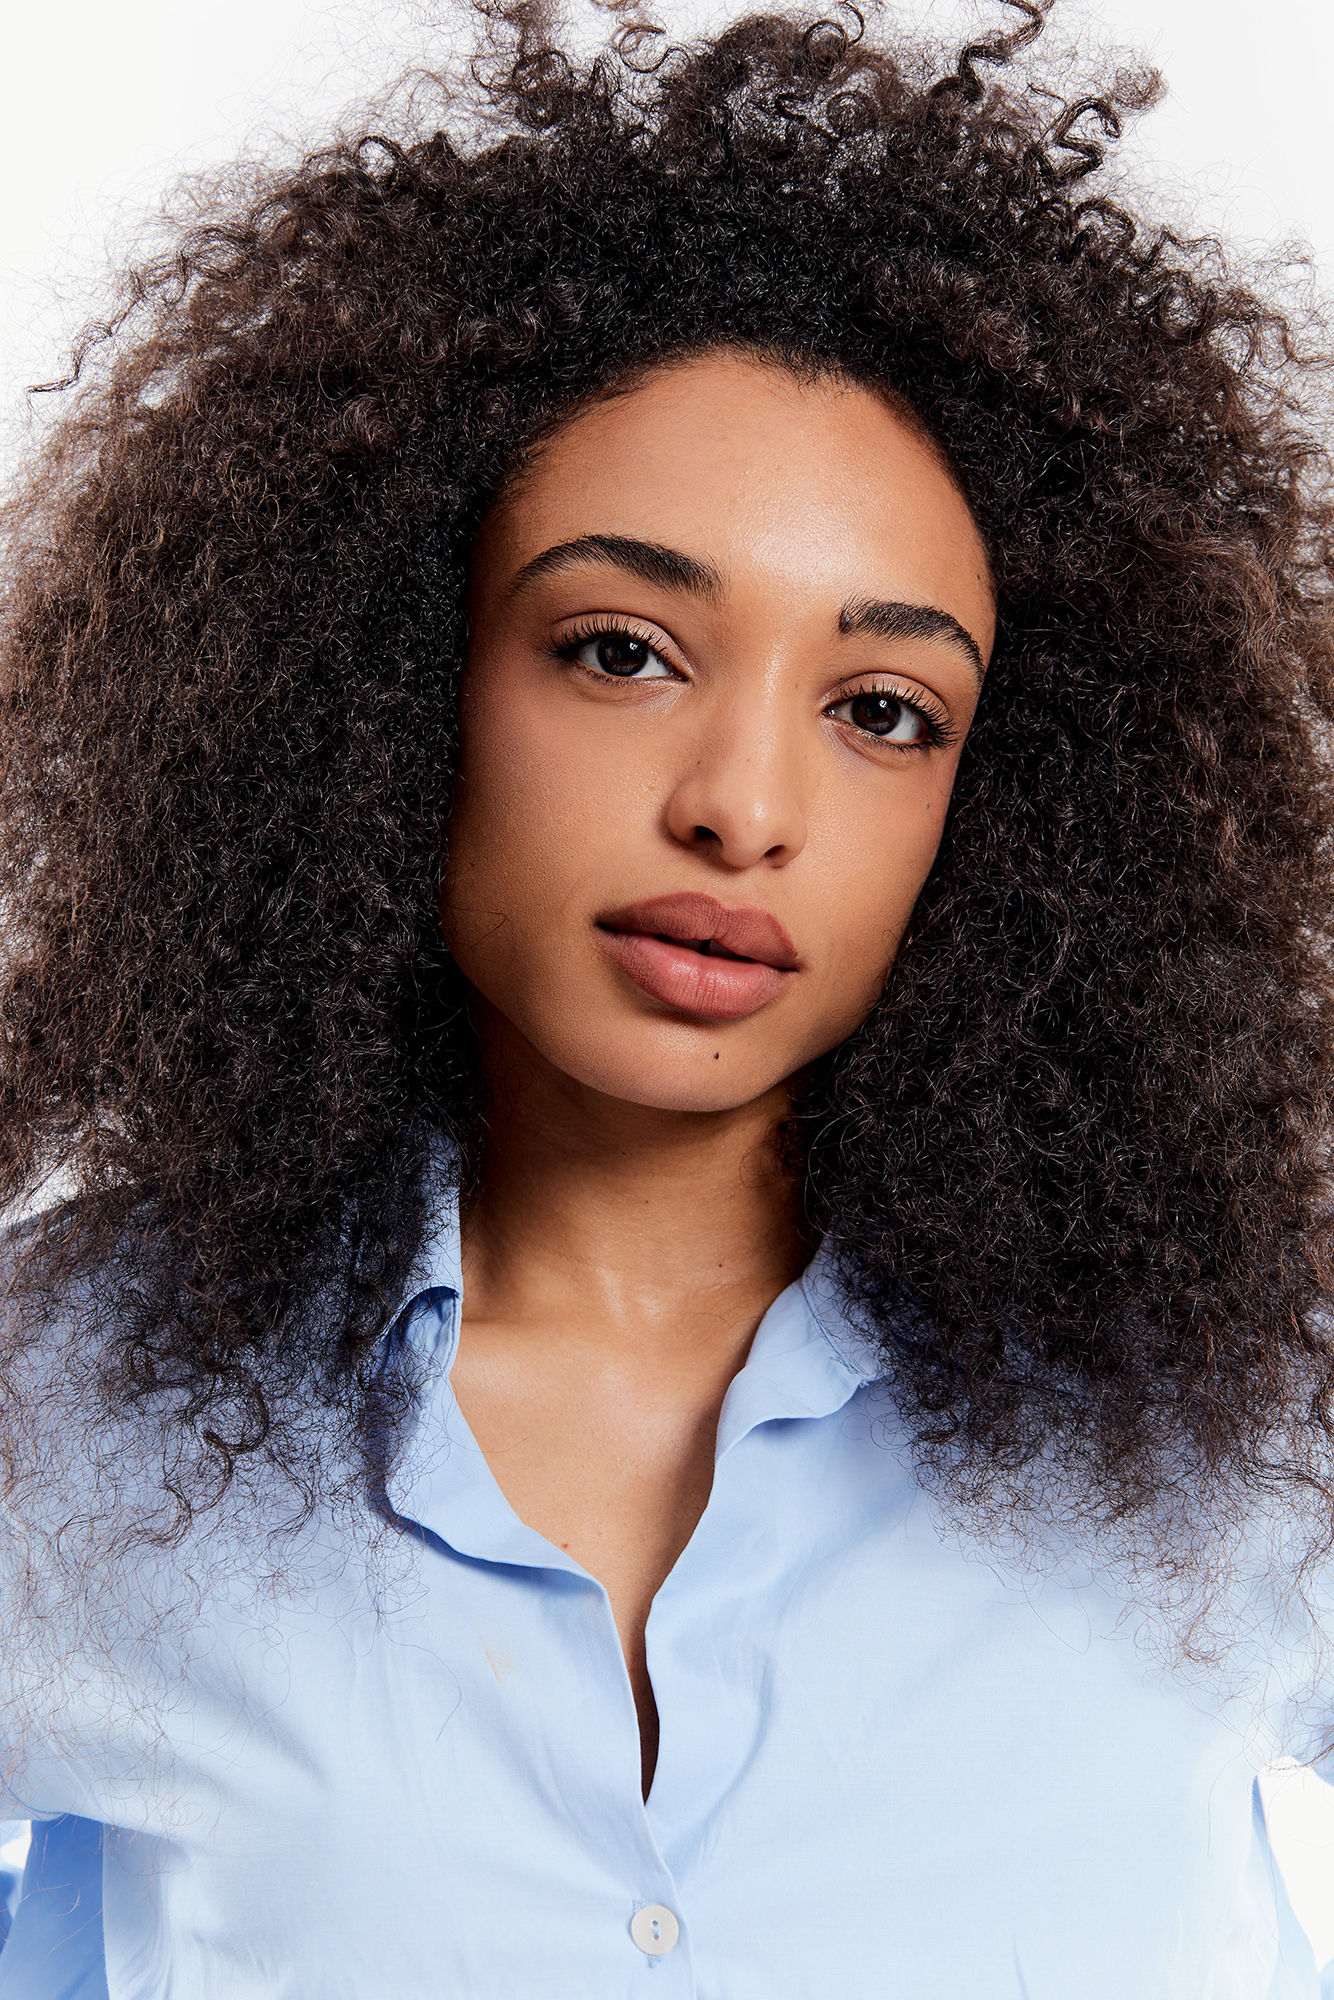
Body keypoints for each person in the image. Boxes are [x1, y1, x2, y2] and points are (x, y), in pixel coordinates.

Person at [0, 0, 1331, 1991]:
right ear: (387, 665)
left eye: (883, 711)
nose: (740, 808)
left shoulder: (1238, 1421)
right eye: (620, 649)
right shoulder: (61, 1412)